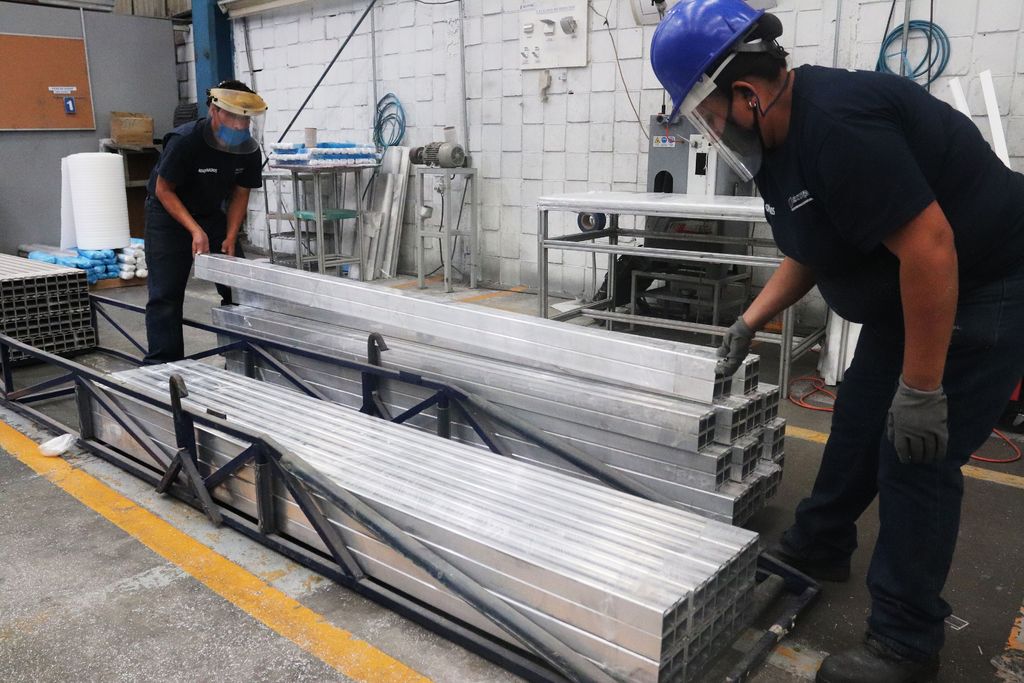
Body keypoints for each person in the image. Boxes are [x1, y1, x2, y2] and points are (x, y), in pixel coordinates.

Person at [651, 2, 1024, 682]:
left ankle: (905, 642)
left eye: (707, 115)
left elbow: (932, 249)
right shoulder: (778, 143)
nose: (710, 132)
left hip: (982, 284)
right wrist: (748, 322)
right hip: (909, 291)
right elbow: (813, 247)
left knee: (916, 451)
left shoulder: (838, 129)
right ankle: (821, 544)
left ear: (747, 93)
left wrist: (923, 389)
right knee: (858, 419)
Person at [143, 80, 267, 363]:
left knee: (237, 287)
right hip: (168, 214)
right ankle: (163, 366)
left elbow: (240, 194)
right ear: (214, 110)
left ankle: (242, 359)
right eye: (233, 116)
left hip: (211, 213)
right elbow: (164, 190)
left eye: (245, 118)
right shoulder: (186, 141)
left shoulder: (248, 149)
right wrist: (194, 230)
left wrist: (231, 235)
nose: (239, 125)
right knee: (165, 293)